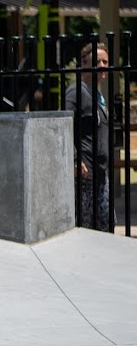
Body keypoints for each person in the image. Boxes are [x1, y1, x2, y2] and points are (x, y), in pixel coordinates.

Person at [65, 43, 111, 231]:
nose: (102, 65)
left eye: (105, 61)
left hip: (101, 174)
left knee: (106, 225)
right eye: (96, 61)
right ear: (83, 65)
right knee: (85, 229)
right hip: (85, 174)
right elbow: (65, 126)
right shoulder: (76, 91)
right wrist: (75, 158)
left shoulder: (98, 96)